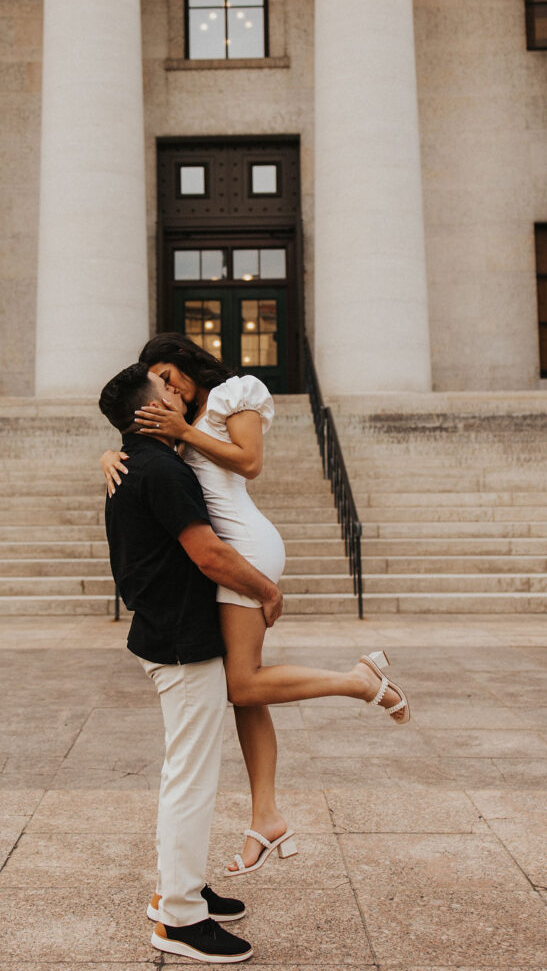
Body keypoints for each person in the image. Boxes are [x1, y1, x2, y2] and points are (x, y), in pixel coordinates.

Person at [101, 334, 411, 877]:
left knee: (241, 684)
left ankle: (361, 681)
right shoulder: (180, 418)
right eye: (158, 383)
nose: (167, 388)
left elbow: (250, 463)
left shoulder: (236, 393)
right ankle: (265, 815)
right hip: (225, 547)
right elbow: (148, 458)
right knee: (244, 691)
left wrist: (182, 430)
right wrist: (111, 452)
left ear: (189, 363)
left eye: (169, 376)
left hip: (241, 545)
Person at [98, 361, 287, 964]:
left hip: (169, 634)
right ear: (145, 413)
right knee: (191, 778)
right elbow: (207, 553)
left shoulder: (138, 462)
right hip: (180, 640)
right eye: (164, 393)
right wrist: (266, 589)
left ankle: (179, 890)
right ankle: (179, 918)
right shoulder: (158, 469)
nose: (177, 395)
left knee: (186, 772)